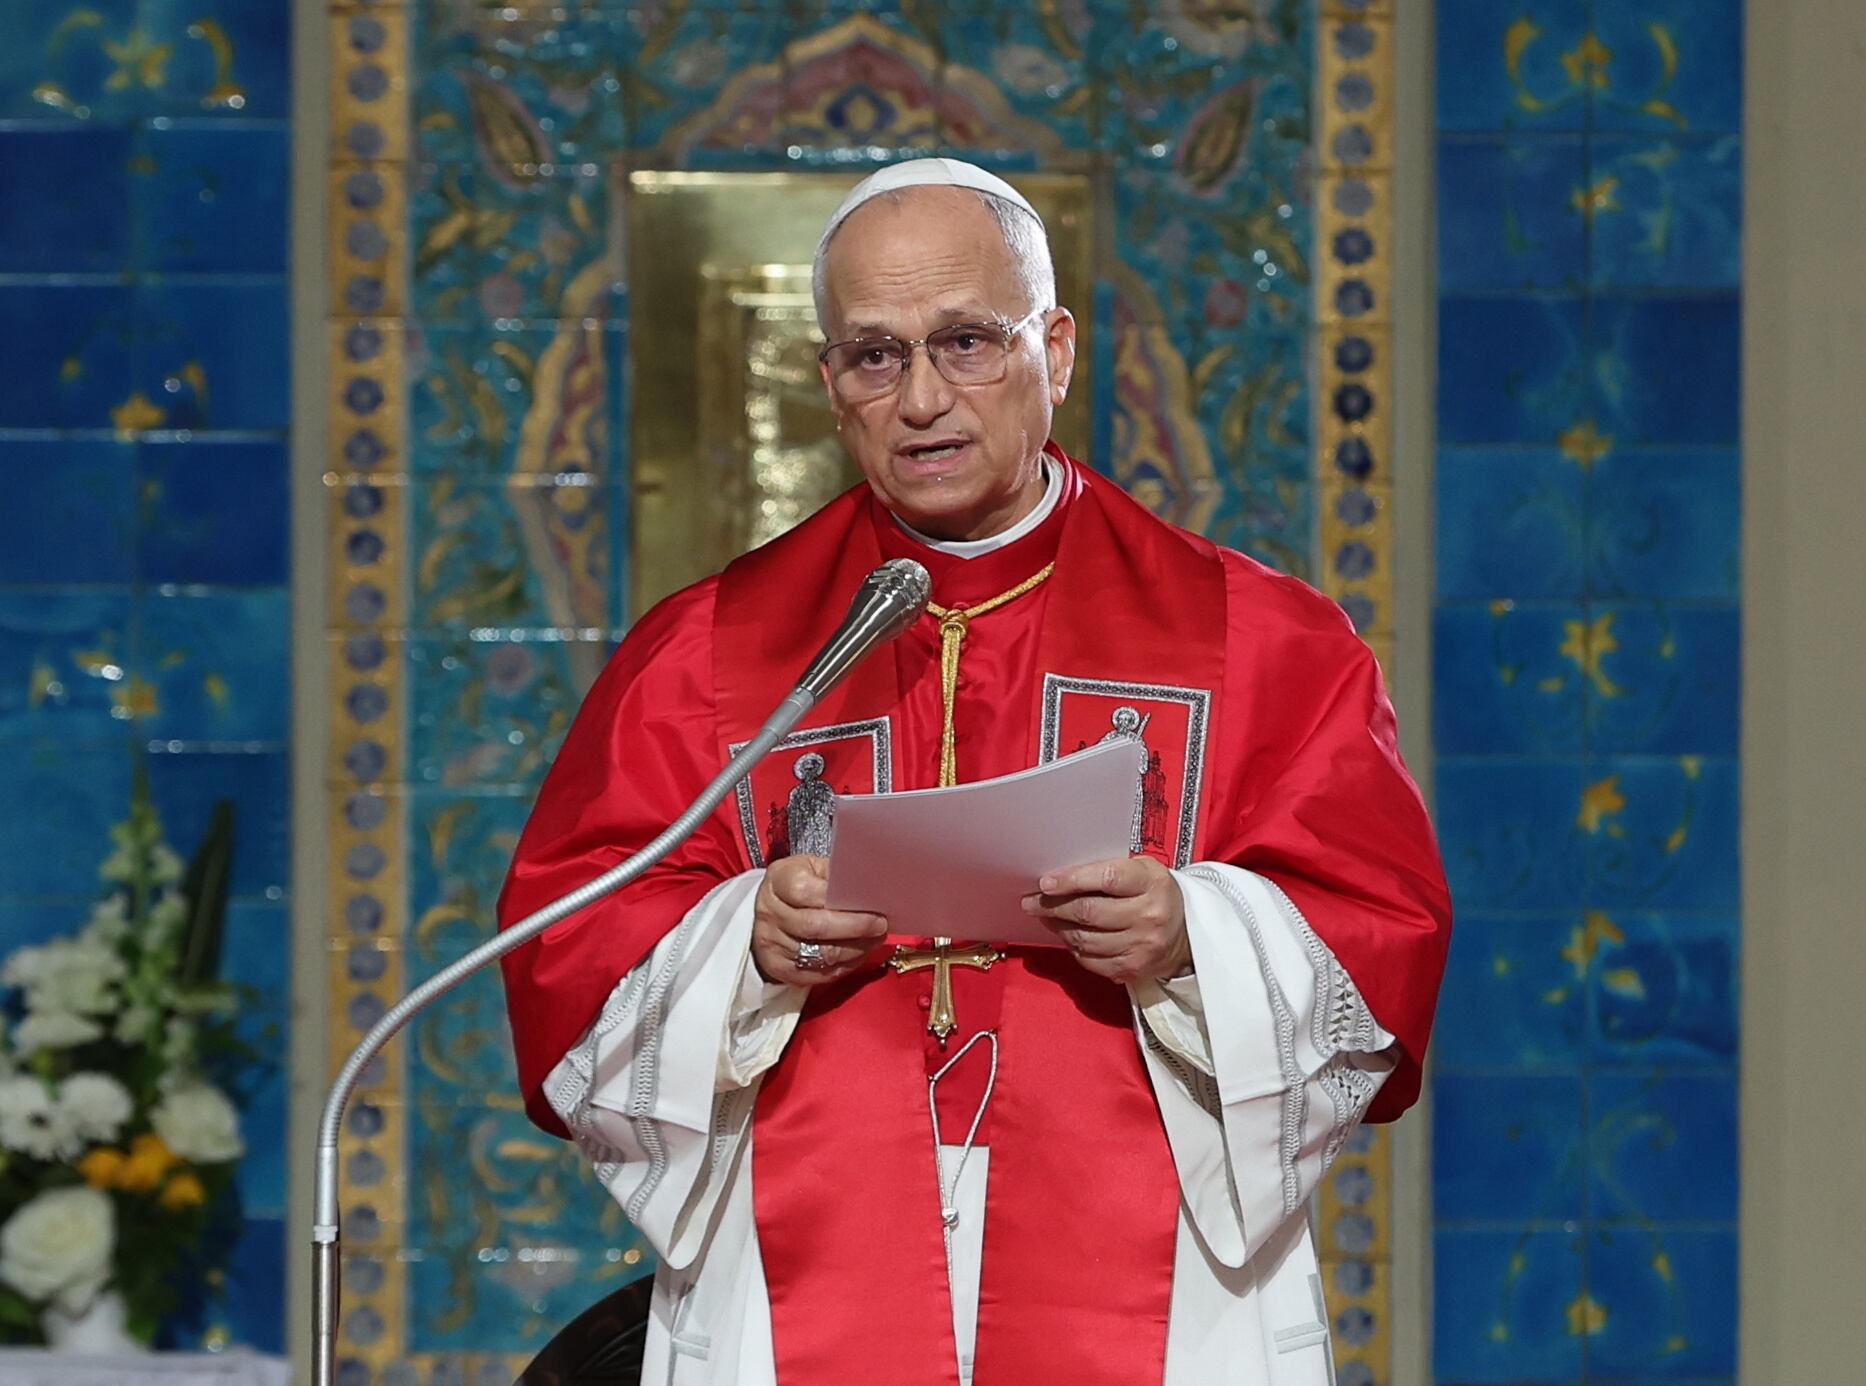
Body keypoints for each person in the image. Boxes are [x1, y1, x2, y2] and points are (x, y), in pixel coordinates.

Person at [497, 158, 1452, 1386]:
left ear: (1054, 351)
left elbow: (1381, 936)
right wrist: (744, 943)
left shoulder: (1263, 641)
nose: (922, 398)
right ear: (828, 382)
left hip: (1156, 1284)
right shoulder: (708, 654)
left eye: (966, 342)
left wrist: (1188, 935)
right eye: (874, 355)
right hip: (808, 1261)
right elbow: (568, 949)